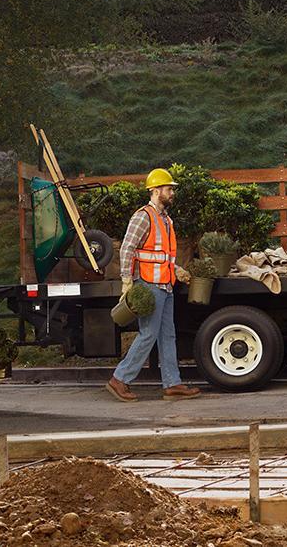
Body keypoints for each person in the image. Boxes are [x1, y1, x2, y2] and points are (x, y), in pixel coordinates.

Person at [106, 168, 201, 402]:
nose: (172, 193)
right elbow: (127, 248)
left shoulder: (166, 220)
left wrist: (177, 270)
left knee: (167, 335)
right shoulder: (143, 216)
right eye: (169, 189)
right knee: (148, 334)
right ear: (155, 190)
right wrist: (127, 282)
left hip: (165, 285)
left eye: (172, 189)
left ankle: (172, 384)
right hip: (148, 285)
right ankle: (120, 379)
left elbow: (163, 256)